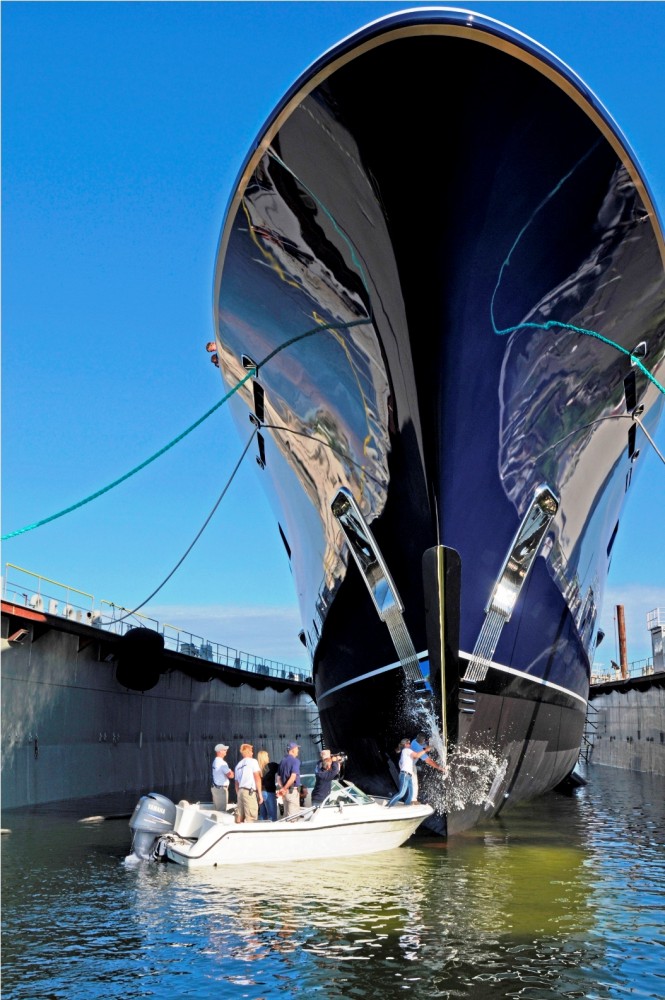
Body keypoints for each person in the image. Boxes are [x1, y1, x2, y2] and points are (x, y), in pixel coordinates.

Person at [387, 738, 429, 807]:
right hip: (405, 775)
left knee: (411, 793)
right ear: (405, 745)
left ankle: (407, 805)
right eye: (408, 743)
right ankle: (388, 806)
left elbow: (416, 755)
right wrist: (426, 749)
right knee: (401, 793)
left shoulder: (407, 752)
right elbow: (417, 755)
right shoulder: (406, 750)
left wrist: (426, 745)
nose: (410, 744)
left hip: (408, 775)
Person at [410, 731, 447, 803]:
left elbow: (425, 745)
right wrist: (440, 768)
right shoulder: (418, 748)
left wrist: (434, 742)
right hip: (409, 765)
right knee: (414, 782)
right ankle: (413, 800)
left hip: (409, 762)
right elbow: (429, 761)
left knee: (412, 782)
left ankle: (411, 798)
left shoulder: (415, 740)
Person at [234, 743, 263, 823]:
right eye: (251, 751)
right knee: (251, 817)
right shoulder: (253, 761)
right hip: (249, 792)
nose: (252, 753)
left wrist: (239, 794)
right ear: (247, 752)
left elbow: (236, 783)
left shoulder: (238, 765)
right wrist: (260, 794)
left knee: (240, 817)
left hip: (240, 791)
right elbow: (257, 777)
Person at [277, 741, 301, 817]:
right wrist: (284, 788)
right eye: (297, 749)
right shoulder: (295, 761)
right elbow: (293, 776)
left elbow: (278, 778)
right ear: (293, 750)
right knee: (293, 817)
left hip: (285, 792)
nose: (298, 751)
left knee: (287, 815)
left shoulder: (282, 761)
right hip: (292, 791)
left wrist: (282, 788)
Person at [211, 743, 234, 812]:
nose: (226, 751)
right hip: (221, 790)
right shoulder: (222, 763)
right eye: (224, 750)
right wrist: (231, 772)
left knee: (217, 810)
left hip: (216, 788)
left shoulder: (215, 761)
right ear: (220, 751)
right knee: (221, 811)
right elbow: (231, 775)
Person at [257, 749, 279, 821]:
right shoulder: (271, 766)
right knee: (272, 817)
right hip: (269, 792)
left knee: (263, 816)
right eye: (267, 756)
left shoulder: (257, 768)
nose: (268, 757)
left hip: (260, 793)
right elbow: (282, 767)